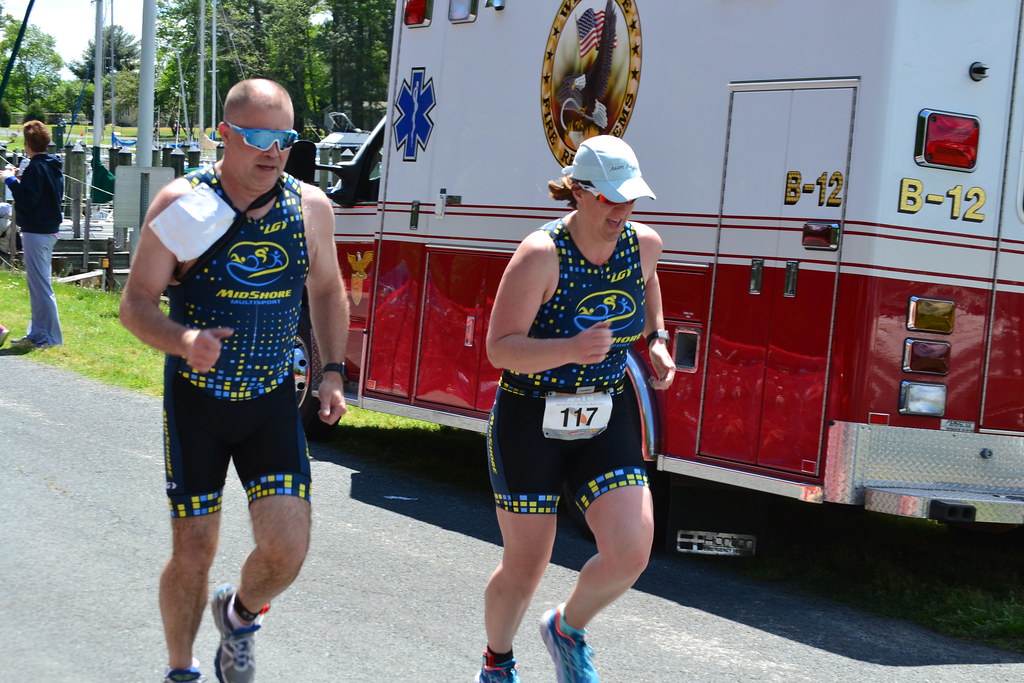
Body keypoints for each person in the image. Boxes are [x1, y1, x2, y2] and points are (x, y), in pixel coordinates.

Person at [120, 79, 350, 683]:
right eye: (256, 137)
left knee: (287, 551)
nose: (272, 152)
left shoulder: (311, 208)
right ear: (225, 135)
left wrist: (331, 371)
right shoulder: (182, 203)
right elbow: (136, 304)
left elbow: (326, 289)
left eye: (284, 139)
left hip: (271, 401)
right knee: (194, 550)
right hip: (198, 401)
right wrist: (184, 340)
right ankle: (181, 670)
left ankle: (240, 613)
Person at [476, 135, 676, 683]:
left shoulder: (644, 244)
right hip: (529, 416)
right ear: (580, 192)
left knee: (632, 550)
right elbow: (499, 348)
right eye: (610, 199)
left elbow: (649, 287)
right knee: (526, 565)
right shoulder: (541, 254)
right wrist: (568, 349)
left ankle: (566, 629)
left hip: (606, 410)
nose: (621, 210)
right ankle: (497, 663)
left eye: (629, 199)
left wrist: (656, 339)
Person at [1, 120, 65, 349]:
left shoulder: (36, 167)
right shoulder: (51, 164)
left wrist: (9, 180)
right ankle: (36, 333)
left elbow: (27, 202)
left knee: (41, 287)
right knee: (38, 285)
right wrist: (21, 178)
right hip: (47, 231)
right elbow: (39, 192)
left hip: (36, 232)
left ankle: (50, 338)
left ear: (27, 145)